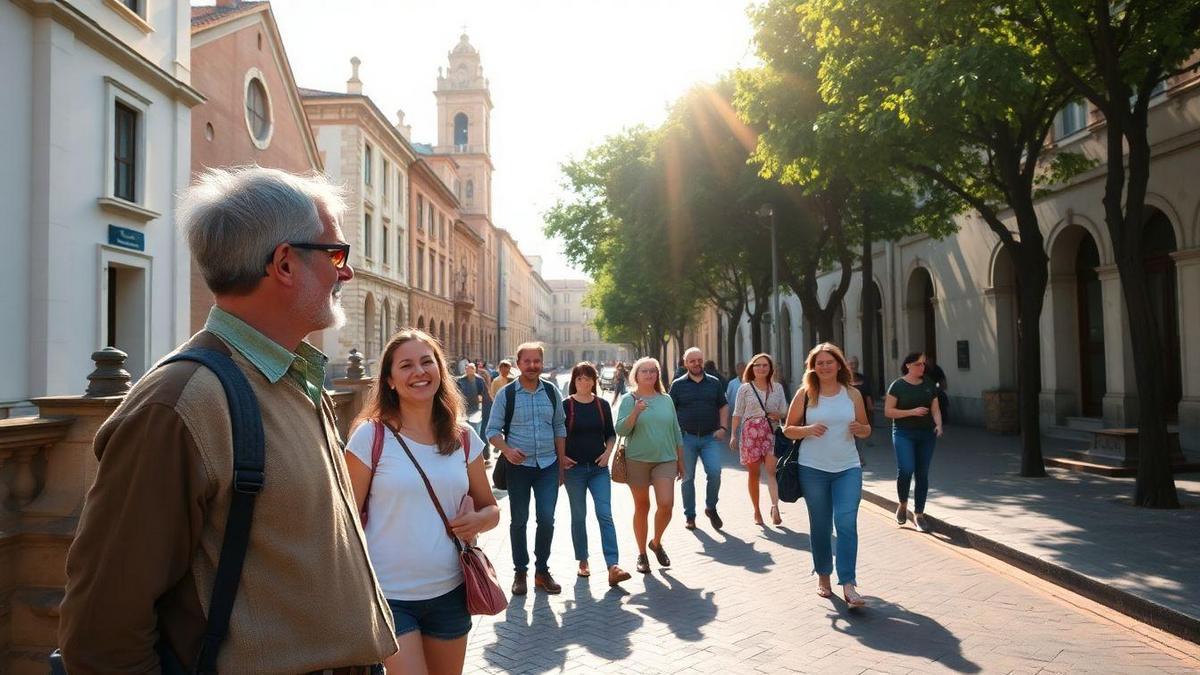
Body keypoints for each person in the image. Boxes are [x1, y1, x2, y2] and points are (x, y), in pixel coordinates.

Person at [58, 167, 396, 671]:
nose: (345, 273)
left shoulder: (291, 377)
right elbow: (103, 636)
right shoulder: (177, 406)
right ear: (284, 263)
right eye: (336, 255)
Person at [346, 329, 500, 674]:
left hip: (451, 591)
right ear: (389, 380)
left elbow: (491, 507)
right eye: (406, 365)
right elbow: (347, 521)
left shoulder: (463, 436)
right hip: (390, 595)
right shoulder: (370, 436)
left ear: (440, 371)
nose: (419, 372)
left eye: (427, 361)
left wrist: (479, 520)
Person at [782, 342, 872, 608]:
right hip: (813, 469)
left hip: (848, 467)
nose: (824, 366)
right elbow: (788, 429)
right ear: (812, 367)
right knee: (821, 525)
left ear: (838, 365)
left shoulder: (852, 394)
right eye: (819, 363)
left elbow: (866, 429)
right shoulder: (806, 394)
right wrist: (807, 429)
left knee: (846, 522)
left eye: (829, 362)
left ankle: (849, 584)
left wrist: (860, 428)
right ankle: (823, 575)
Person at [486, 343, 568, 595]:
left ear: (542, 363)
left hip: (547, 466)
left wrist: (562, 465)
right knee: (519, 520)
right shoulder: (507, 394)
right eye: (527, 361)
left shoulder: (552, 392)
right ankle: (520, 572)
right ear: (518, 363)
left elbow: (559, 429)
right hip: (517, 468)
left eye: (537, 361)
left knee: (546, 519)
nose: (532, 366)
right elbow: (491, 431)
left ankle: (542, 571)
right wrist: (508, 450)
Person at [561, 362, 632, 586]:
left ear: (594, 381)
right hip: (574, 471)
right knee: (579, 516)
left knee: (605, 514)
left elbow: (610, 435)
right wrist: (561, 457)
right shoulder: (566, 406)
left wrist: (607, 454)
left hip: (599, 470)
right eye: (580, 378)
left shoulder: (601, 405)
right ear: (575, 381)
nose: (584, 382)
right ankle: (583, 560)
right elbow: (558, 435)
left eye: (588, 378)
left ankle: (613, 565)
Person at [616, 357, 684, 573]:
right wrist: (635, 412)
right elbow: (621, 430)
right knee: (642, 506)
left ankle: (655, 542)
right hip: (637, 460)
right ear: (636, 375)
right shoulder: (630, 399)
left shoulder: (666, 399)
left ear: (657, 375)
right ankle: (642, 554)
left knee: (666, 504)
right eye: (644, 371)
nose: (648, 375)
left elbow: (676, 431)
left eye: (652, 371)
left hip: (665, 459)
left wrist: (680, 460)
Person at [884, 352, 944, 533]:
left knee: (922, 473)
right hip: (903, 433)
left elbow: (935, 408)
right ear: (908, 365)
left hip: (926, 435)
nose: (922, 367)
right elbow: (888, 411)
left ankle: (919, 515)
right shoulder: (898, 386)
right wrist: (911, 412)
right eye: (918, 364)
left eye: (924, 364)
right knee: (906, 469)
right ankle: (902, 503)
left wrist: (939, 424)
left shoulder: (928, 384)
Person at [670, 347, 729, 530]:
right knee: (687, 479)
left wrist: (723, 427)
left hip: (710, 437)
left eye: (699, 360)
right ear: (685, 363)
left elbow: (723, 406)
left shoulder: (714, 383)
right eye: (692, 360)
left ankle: (711, 507)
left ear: (703, 361)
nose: (696, 363)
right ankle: (690, 516)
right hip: (686, 439)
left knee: (715, 473)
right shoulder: (678, 385)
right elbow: (670, 411)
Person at [729, 354, 788, 526]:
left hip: (771, 433)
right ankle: (756, 510)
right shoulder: (745, 388)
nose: (761, 368)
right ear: (752, 368)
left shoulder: (777, 388)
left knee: (771, 471)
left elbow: (784, 410)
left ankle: (775, 507)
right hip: (750, 435)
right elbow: (737, 413)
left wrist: (779, 414)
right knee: (754, 474)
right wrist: (733, 434)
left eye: (765, 365)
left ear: (770, 368)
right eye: (757, 365)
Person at [456, 362, 492, 440]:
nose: (469, 370)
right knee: (465, 428)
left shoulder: (479, 380)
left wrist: (486, 408)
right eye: (468, 368)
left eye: (471, 368)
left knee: (475, 429)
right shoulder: (461, 380)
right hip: (464, 408)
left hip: (476, 408)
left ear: (474, 370)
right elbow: (456, 393)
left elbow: (485, 395)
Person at [925, 356, 950, 423]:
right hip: (925, 388)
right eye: (928, 360)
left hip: (935, 388)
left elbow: (942, 380)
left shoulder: (937, 369)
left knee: (942, 395)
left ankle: (943, 416)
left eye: (931, 360)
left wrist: (939, 387)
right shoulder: (923, 369)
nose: (929, 362)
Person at [725, 361, 746, 439]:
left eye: (743, 368)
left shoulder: (750, 382)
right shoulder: (732, 383)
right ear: (736, 370)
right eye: (739, 369)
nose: (741, 370)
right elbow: (727, 397)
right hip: (734, 411)